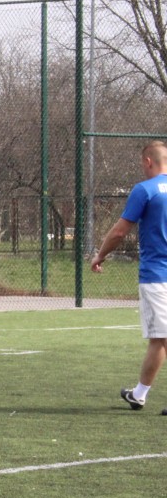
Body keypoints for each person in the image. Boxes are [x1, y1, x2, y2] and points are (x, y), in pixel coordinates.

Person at [91, 141, 167, 411]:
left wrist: (100, 255)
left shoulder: (145, 190)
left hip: (157, 275)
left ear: (148, 161)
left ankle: (140, 394)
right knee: (160, 338)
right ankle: (138, 394)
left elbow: (120, 231)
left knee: (162, 337)